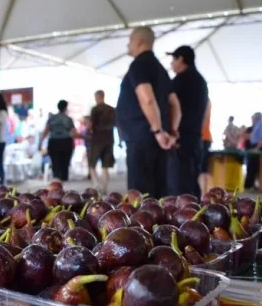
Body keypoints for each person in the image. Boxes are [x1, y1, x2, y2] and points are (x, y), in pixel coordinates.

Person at [116, 27, 181, 199]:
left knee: (140, 194)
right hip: (159, 139)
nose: (128, 44)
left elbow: (147, 98)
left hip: (143, 138)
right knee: (159, 189)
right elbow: (175, 104)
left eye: (130, 39)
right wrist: (172, 131)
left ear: (139, 42)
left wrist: (158, 130)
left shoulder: (139, 64)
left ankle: (140, 226)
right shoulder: (160, 69)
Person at [166, 45, 208, 197]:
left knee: (179, 188)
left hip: (180, 140)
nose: (171, 64)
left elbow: (172, 109)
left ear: (181, 59)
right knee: (191, 184)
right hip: (195, 140)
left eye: (173, 60)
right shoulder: (201, 81)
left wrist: (171, 133)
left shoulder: (180, 81)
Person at [40, 100, 80, 182]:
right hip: (66, 143)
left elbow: (45, 131)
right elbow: (74, 132)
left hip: (53, 142)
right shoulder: (68, 119)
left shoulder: (51, 118)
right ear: (66, 107)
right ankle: (64, 181)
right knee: (65, 164)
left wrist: (40, 142)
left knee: (55, 163)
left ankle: (56, 181)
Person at [89, 90, 116, 194]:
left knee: (92, 164)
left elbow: (91, 125)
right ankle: (104, 188)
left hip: (97, 139)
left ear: (96, 97)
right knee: (105, 165)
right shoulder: (111, 109)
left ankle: (96, 185)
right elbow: (116, 124)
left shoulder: (95, 109)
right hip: (109, 139)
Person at [244, 112, 262, 191]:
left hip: (259, 148)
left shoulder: (261, 125)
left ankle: (256, 187)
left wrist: (256, 149)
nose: (252, 120)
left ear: (256, 118)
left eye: (253, 118)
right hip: (255, 147)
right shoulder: (256, 126)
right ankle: (251, 186)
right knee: (251, 167)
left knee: (256, 167)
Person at [199, 101, 213, 197]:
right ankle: (203, 194)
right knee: (202, 169)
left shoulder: (204, 100)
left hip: (201, 138)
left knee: (201, 169)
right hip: (205, 137)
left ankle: (203, 194)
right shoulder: (207, 100)